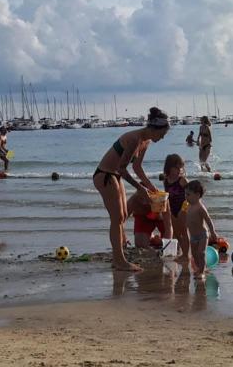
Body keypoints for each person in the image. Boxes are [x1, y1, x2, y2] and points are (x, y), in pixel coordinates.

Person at [93, 106, 170, 271]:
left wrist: (150, 186)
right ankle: (119, 260)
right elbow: (122, 168)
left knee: (121, 217)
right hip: (105, 175)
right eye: (162, 134)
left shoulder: (145, 141)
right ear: (155, 128)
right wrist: (140, 189)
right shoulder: (135, 138)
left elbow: (137, 168)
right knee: (117, 219)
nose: (162, 138)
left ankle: (119, 253)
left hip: (115, 175)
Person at [184, 179, 218, 280]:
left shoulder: (200, 207)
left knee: (201, 253)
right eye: (185, 194)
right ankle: (200, 268)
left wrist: (213, 232)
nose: (186, 197)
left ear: (198, 195)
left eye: (188, 194)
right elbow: (189, 220)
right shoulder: (188, 206)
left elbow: (208, 220)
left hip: (203, 235)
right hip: (193, 236)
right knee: (194, 255)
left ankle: (202, 272)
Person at [163, 153, 190, 264]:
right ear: (169, 167)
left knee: (184, 232)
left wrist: (183, 210)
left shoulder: (182, 180)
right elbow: (167, 195)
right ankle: (179, 252)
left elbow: (191, 195)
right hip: (172, 210)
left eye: (181, 168)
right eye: (177, 168)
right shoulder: (166, 181)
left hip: (183, 210)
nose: (179, 170)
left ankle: (186, 255)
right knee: (176, 233)